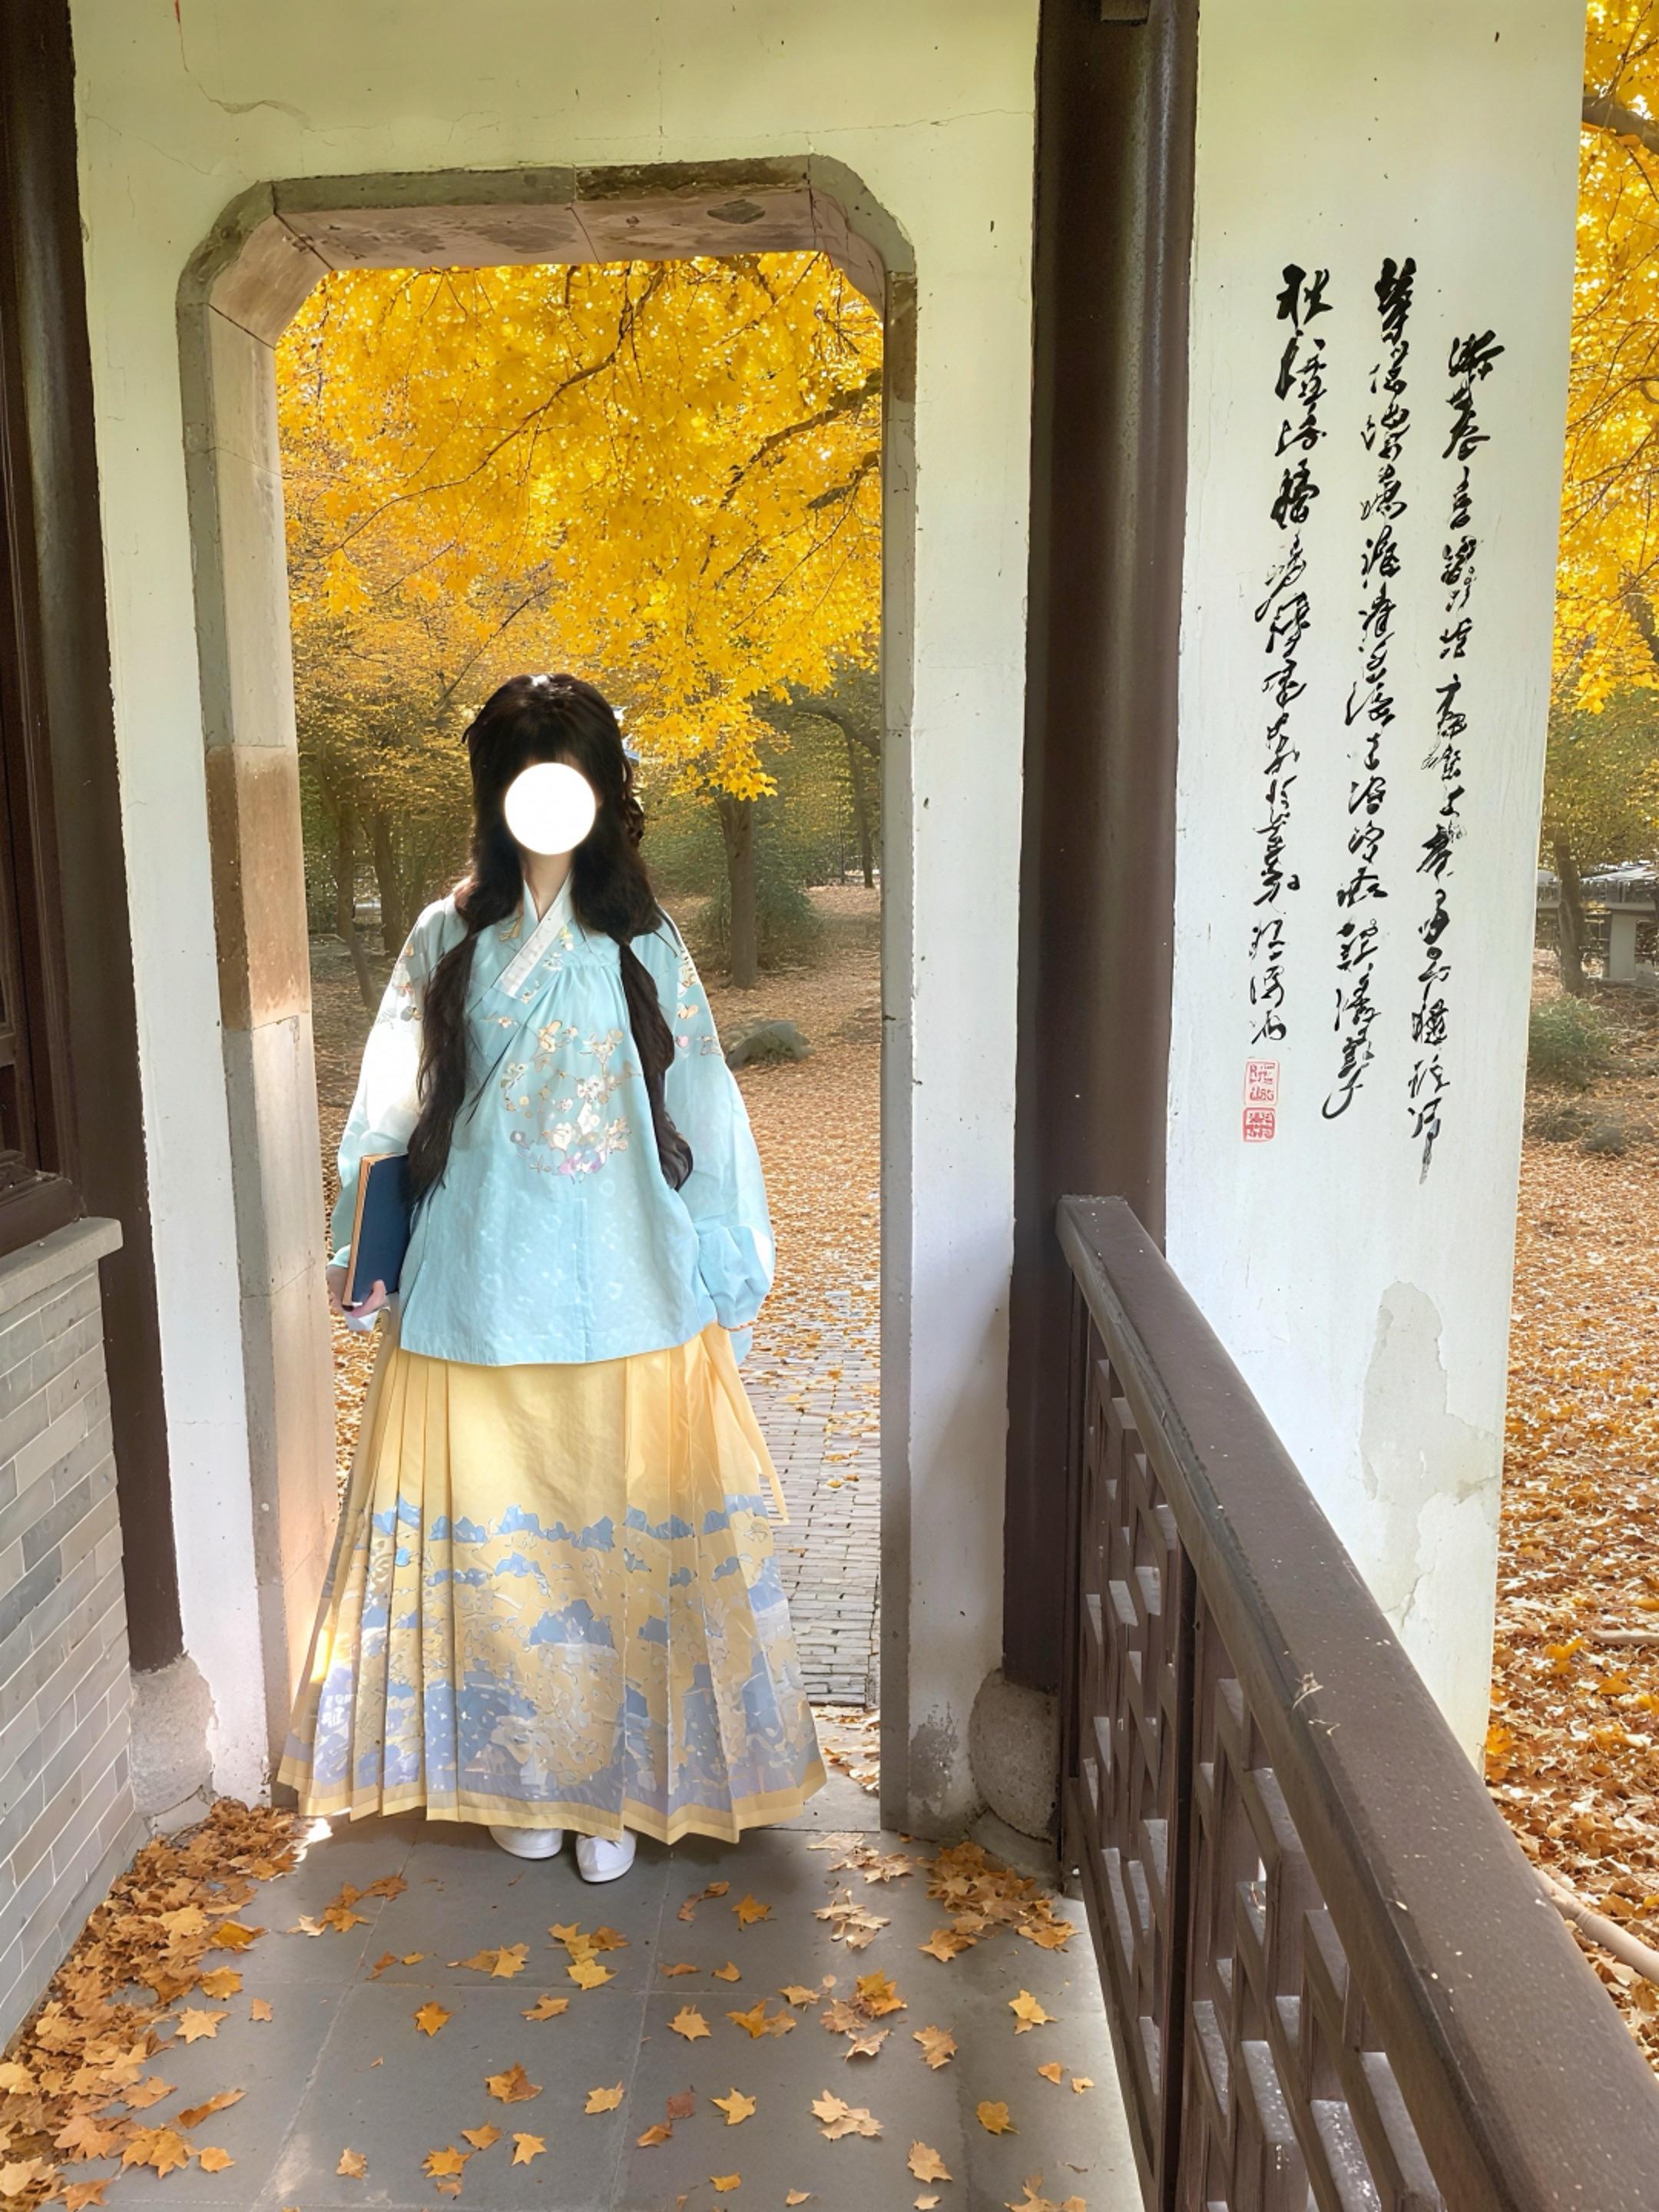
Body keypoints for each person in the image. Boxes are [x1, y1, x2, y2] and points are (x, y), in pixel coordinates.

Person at [278, 673, 825, 1880]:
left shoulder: (643, 940)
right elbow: (390, 1103)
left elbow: (704, 1108)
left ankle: (614, 1789)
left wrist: (726, 1259)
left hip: (629, 1278)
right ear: (494, 794)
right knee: (502, 1555)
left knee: (612, 1549)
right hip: (478, 1282)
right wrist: (364, 1245)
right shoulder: (446, 936)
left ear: (602, 792)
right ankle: (520, 1772)